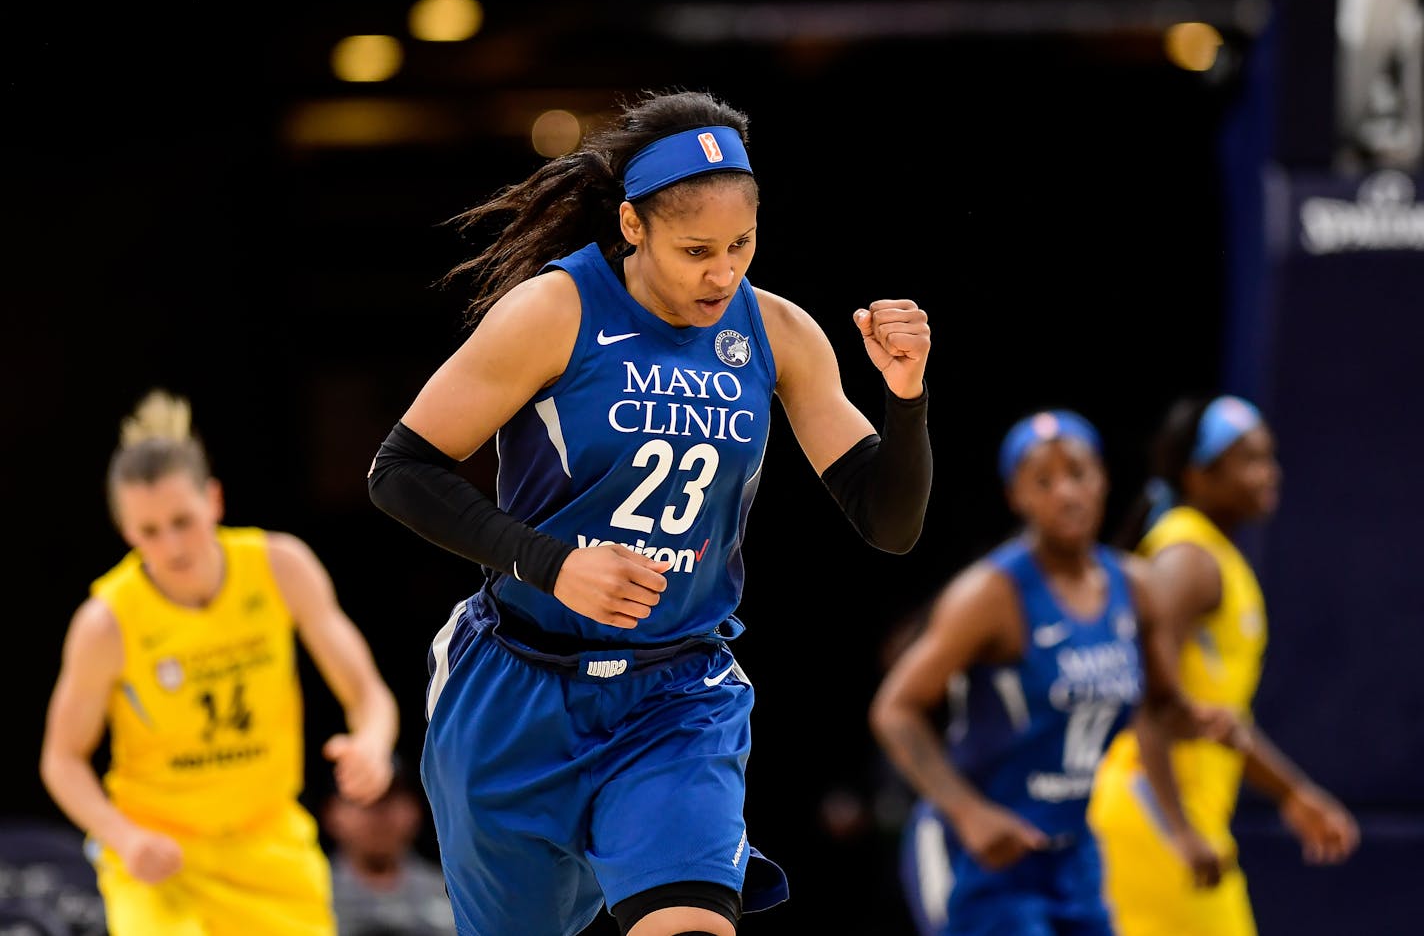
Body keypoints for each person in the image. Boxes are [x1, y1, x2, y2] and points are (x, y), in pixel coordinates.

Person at [366, 87, 933, 936]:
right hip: (519, 685)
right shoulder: (555, 311)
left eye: (742, 243)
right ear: (633, 227)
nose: (723, 271)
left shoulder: (775, 331)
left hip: (675, 692)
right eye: (696, 248)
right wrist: (551, 563)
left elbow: (888, 522)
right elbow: (399, 471)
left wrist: (907, 398)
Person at [39, 389, 400, 936]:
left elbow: (367, 695)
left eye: (183, 520)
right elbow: (61, 759)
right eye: (149, 532)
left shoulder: (281, 567)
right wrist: (123, 837)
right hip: (161, 857)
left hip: (269, 845)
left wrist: (372, 745)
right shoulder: (105, 622)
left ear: (214, 500)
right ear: (125, 531)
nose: (172, 546)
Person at [868, 409, 1241, 936]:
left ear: (1104, 479)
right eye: (1043, 480)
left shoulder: (1135, 587)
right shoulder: (991, 594)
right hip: (980, 851)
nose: (1065, 492)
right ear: (1016, 496)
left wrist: (1203, 723)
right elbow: (894, 708)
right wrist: (967, 812)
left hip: (1072, 852)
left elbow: (1160, 708)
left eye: (1079, 473)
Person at [1086, 394, 1361, 936]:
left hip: (1178, 814)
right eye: (1249, 460)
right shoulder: (1187, 559)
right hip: (1154, 812)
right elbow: (1147, 692)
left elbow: (1217, 716)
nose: (1269, 473)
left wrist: (1291, 793)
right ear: (1198, 475)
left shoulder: (1212, 556)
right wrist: (1177, 828)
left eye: (1269, 456)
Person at [321, 758, 457, 936]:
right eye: (362, 800)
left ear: (415, 812)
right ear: (332, 813)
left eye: (391, 800)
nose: (379, 815)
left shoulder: (451, 895)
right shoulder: (309, 894)